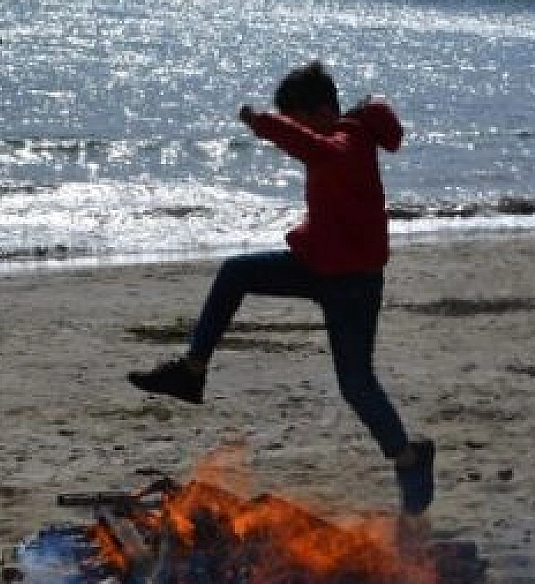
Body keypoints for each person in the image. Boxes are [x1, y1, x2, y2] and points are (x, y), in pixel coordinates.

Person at [128, 61, 436, 514]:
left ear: (325, 110)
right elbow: (311, 147)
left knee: (356, 384)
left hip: (353, 284)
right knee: (235, 272)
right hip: (317, 266)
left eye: (299, 119)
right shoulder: (338, 138)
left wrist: (263, 123)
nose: (297, 130)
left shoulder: (348, 142)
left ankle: (410, 458)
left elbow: (314, 149)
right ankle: (191, 372)